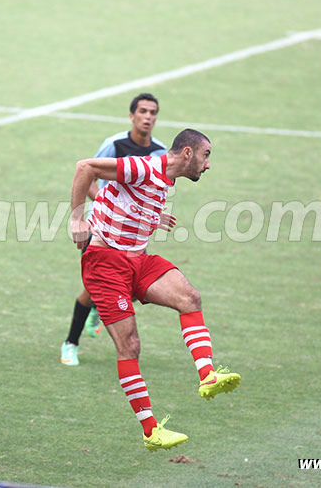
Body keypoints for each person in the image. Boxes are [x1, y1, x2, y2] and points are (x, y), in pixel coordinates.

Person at [69, 128, 241, 451]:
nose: (208, 166)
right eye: (206, 156)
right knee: (130, 345)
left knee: (190, 297)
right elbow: (84, 168)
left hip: (138, 261)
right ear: (187, 154)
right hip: (105, 264)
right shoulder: (144, 167)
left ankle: (207, 375)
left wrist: (148, 214)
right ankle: (150, 430)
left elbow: (123, 197)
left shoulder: (166, 179)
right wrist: (78, 219)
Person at [61, 93, 169, 366]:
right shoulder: (114, 145)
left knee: (130, 285)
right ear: (132, 116)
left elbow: (155, 192)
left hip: (134, 234)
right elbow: (88, 176)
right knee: (91, 288)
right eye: (143, 111)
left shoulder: (159, 152)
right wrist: (105, 204)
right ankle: (70, 344)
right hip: (101, 230)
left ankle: (100, 306)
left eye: (152, 112)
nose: (148, 116)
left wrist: (157, 215)